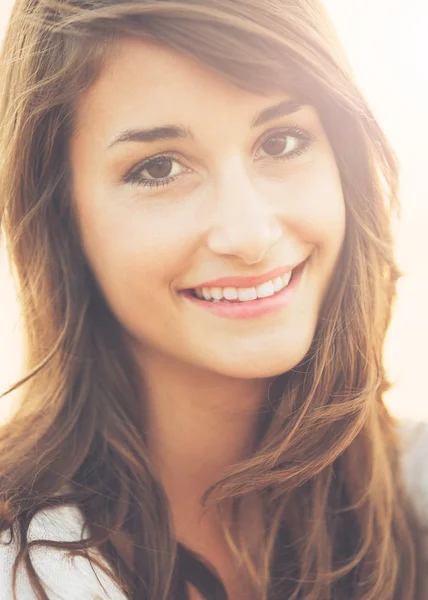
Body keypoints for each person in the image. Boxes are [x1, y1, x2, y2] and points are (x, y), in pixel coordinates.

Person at [0, 0, 427, 598]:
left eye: (281, 142)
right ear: (61, 217)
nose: (250, 235)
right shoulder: (19, 565)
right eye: (159, 168)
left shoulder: (418, 494)